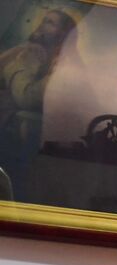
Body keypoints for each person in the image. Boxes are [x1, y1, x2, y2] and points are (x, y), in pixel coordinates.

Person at [0, 9, 78, 198]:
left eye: (50, 23)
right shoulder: (23, 51)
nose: (42, 26)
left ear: (63, 33)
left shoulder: (67, 66)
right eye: (43, 21)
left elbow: (27, 97)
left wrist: (20, 67)